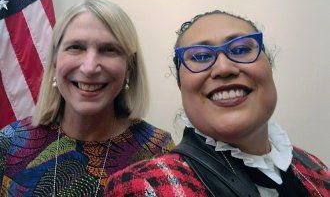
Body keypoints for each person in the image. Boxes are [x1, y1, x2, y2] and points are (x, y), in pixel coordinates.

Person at [105, 10, 329, 196]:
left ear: (269, 67)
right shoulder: (144, 186)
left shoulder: (316, 169)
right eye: (200, 56)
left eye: (241, 50)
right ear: (181, 85)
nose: (224, 68)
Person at [0, 0, 174, 196]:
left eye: (109, 49)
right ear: (55, 62)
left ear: (129, 68)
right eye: (76, 47)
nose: (90, 67)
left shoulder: (158, 150)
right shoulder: (10, 142)